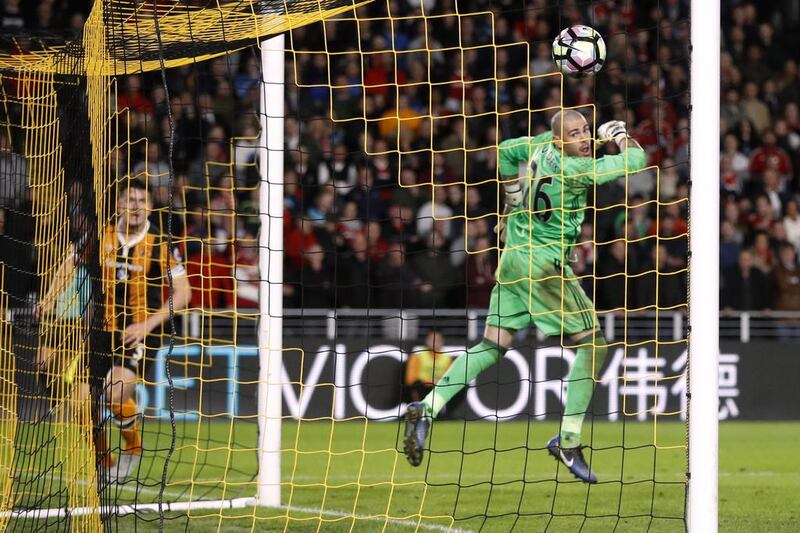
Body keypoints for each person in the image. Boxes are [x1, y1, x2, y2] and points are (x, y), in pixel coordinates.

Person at [402, 109, 647, 484]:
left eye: (585, 130)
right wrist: (621, 134)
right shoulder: (574, 169)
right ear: (558, 140)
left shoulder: (538, 148)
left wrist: (512, 197)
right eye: (574, 133)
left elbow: (504, 150)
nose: (583, 138)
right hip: (543, 267)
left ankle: (427, 407)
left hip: (513, 258)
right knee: (595, 345)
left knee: (491, 346)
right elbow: (635, 160)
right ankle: (568, 440)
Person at [404, 331, 452, 403]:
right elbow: (410, 379)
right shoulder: (418, 355)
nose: (435, 342)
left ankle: (447, 412)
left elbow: (449, 378)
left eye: (438, 340)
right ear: (427, 341)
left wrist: (440, 383)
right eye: (432, 340)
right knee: (416, 385)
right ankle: (417, 410)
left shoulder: (446, 358)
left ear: (442, 342)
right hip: (421, 389)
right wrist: (430, 381)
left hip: (439, 389)